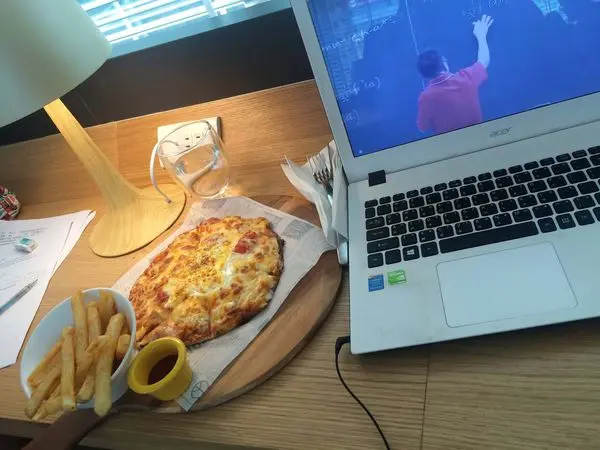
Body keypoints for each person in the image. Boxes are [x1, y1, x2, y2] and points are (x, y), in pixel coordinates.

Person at [416, 15, 494, 135]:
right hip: (480, 138)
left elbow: (423, 127)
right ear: (444, 63)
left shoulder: (426, 98)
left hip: (451, 145)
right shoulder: (466, 78)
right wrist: (481, 35)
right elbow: (484, 61)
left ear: (424, 75)